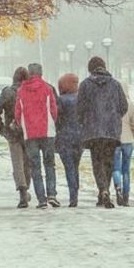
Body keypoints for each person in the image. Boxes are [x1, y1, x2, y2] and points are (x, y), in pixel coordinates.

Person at [77, 56, 127, 209]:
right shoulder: (116, 85)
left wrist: (84, 120)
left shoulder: (85, 85)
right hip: (112, 131)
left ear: (90, 69)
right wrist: (114, 117)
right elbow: (123, 106)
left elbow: (80, 108)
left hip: (93, 131)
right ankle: (105, 190)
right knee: (109, 162)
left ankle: (103, 190)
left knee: (97, 161)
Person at [15, 63, 60, 208]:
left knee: (35, 167)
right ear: (41, 73)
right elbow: (53, 109)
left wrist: (22, 125)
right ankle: (52, 194)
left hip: (30, 133)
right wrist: (52, 122)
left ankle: (41, 199)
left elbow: (17, 113)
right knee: (49, 164)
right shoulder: (47, 88)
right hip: (47, 132)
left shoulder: (21, 91)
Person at [0, 67, 32, 208]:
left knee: (17, 163)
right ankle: (26, 187)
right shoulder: (30, 92)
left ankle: (22, 192)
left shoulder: (7, 92)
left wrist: (2, 128)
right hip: (28, 132)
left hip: (12, 131)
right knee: (28, 163)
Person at [112, 78, 134, 206]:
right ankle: (126, 196)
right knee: (126, 169)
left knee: (116, 168)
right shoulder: (131, 105)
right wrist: (133, 136)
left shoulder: (111, 104)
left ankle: (117, 187)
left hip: (115, 140)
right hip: (128, 140)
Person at [55, 72, 82, 207]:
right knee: (76, 166)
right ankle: (75, 190)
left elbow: (56, 118)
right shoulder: (80, 99)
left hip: (65, 137)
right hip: (79, 137)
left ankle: (73, 195)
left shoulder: (61, 100)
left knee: (69, 167)